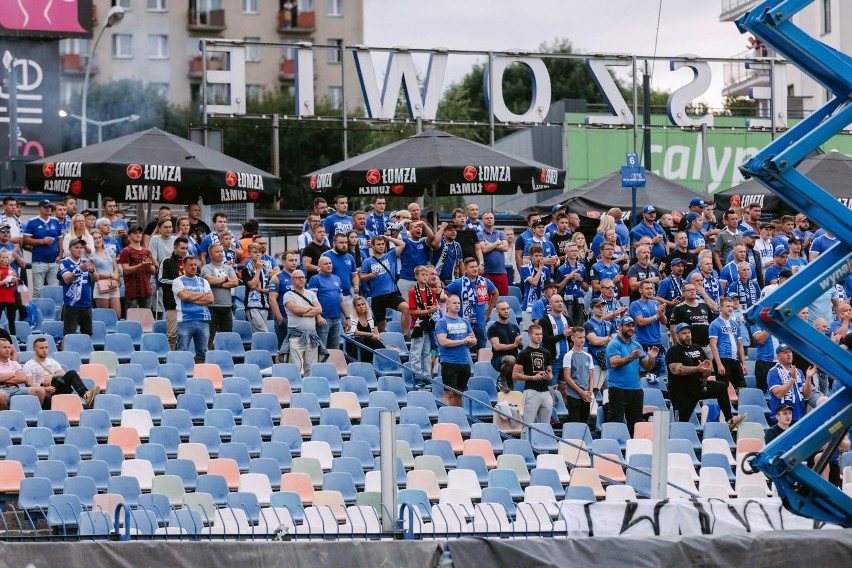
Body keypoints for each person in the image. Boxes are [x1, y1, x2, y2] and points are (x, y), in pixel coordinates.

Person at [666, 322, 746, 430]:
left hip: (698, 386)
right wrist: (697, 369)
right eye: (684, 333)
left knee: (721, 387)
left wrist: (706, 370)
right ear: (677, 336)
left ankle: (730, 419)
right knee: (681, 422)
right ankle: (676, 439)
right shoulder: (674, 350)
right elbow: (676, 370)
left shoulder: (697, 347)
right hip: (682, 393)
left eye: (689, 332)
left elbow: (706, 369)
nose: (687, 335)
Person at [605, 316, 659, 436]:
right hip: (618, 389)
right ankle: (614, 449)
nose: (631, 328)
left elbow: (648, 367)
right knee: (615, 423)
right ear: (620, 327)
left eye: (632, 325)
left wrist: (651, 358)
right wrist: (631, 357)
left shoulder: (636, 345)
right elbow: (614, 363)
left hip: (635, 390)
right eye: (627, 325)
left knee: (636, 424)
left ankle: (634, 450)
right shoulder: (613, 344)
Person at [23, 336, 100, 409]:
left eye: (46, 347)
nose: (45, 350)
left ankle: (85, 395)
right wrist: (44, 389)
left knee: (72, 373)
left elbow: (63, 374)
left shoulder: (52, 362)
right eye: (41, 348)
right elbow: (29, 384)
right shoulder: (29, 365)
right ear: (34, 350)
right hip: (42, 390)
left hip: (56, 386)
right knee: (47, 394)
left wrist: (52, 376)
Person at [360, 235, 410, 334]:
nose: (381, 246)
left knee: (406, 308)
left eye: (383, 244)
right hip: (377, 296)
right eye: (378, 244)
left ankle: (405, 335)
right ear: (373, 246)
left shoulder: (390, 255)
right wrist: (370, 275)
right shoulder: (368, 261)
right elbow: (361, 278)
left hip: (392, 293)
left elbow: (402, 244)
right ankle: (381, 343)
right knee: (381, 325)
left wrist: (388, 238)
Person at [446, 257, 498, 352]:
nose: (475, 269)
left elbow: (495, 292)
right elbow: (445, 293)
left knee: (481, 349)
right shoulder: (458, 283)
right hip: (462, 323)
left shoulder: (484, 281)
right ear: (465, 269)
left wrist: (489, 311)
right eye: (471, 267)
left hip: (479, 322)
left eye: (476, 266)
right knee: (462, 349)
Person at [512, 324, 554, 437]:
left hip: (545, 391)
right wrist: (533, 377)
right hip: (531, 391)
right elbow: (515, 375)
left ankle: (543, 448)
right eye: (536, 334)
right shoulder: (524, 353)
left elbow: (551, 374)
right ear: (530, 335)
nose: (539, 337)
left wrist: (547, 376)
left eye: (541, 334)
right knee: (527, 425)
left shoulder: (546, 353)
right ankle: (525, 448)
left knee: (545, 427)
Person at [436, 294, 476, 407]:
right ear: (447, 305)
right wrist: (463, 341)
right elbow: (443, 342)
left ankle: (458, 418)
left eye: (458, 303)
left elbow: (474, 340)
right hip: (449, 362)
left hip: (464, 362)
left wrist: (471, 341)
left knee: (459, 393)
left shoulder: (464, 321)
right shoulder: (442, 322)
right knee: (449, 393)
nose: (457, 305)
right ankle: (446, 417)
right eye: (454, 303)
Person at [172, 256, 213, 362]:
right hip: (185, 320)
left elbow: (210, 299)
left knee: (202, 352)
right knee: (182, 351)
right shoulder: (178, 281)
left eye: (195, 265)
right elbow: (185, 297)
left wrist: (190, 297)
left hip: (203, 320)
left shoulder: (204, 281)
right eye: (191, 265)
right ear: (184, 266)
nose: (194, 267)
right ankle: (182, 374)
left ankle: (200, 375)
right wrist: (203, 294)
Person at [283, 270, 323, 375]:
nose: (301, 279)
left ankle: (310, 388)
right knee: (295, 366)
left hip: (311, 335)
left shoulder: (311, 293)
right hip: (296, 336)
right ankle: (295, 388)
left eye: (303, 277)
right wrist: (310, 308)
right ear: (292, 279)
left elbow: (319, 309)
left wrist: (303, 313)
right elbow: (296, 310)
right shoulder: (288, 295)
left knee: (311, 367)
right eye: (298, 277)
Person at [767, 344, 820, 421]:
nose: (789, 354)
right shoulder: (773, 372)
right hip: (781, 418)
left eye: (790, 352)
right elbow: (778, 394)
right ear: (778, 357)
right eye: (785, 352)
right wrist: (792, 379)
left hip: (798, 415)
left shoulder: (798, 372)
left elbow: (807, 395)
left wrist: (808, 378)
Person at [200, 243, 239, 348]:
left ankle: (225, 355)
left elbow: (235, 282)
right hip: (212, 306)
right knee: (210, 335)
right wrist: (226, 279)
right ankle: (206, 356)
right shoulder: (206, 268)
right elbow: (210, 280)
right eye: (217, 252)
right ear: (210, 254)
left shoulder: (228, 267)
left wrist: (219, 283)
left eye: (221, 251)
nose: (220, 253)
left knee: (227, 336)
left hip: (226, 306)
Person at [308, 256, 349, 352]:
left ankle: (333, 366)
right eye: (326, 264)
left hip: (337, 318)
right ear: (319, 266)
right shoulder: (315, 279)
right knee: (322, 349)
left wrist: (347, 318)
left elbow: (341, 300)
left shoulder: (337, 278)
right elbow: (312, 300)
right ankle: (321, 367)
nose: (329, 265)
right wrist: (318, 317)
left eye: (330, 263)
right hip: (323, 318)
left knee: (335, 348)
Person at [23, 199, 62, 298]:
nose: (48, 209)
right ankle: (35, 312)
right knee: (38, 291)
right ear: (38, 208)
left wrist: (60, 255)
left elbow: (60, 239)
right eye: (45, 207)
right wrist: (42, 241)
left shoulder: (55, 221)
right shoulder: (32, 222)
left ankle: (51, 312)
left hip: (54, 260)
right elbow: (26, 239)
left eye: (50, 207)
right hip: (39, 260)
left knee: (53, 290)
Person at [708, 296, 748, 391]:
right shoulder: (715, 324)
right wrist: (719, 364)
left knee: (743, 388)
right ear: (721, 308)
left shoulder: (735, 324)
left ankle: (740, 406)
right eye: (727, 306)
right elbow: (713, 345)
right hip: (723, 359)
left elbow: (740, 345)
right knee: (723, 389)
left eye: (731, 306)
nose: (730, 308)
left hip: (735, 360)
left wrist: (744, 363)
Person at [630, 280, 668, 379]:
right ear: (640, 290)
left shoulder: (656, 303)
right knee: (643, 376)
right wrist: (656, 315)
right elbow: (640, 322)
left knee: (659, 376)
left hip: (657, 344)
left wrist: (662, 313)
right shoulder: (635, 304)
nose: (650, 290)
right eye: (647, 288)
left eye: (651, 288)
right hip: (643, 344)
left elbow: (664, 322)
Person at [59, 238, 97, 337]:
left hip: (86, 304)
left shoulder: (85, 261)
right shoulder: (64, 262)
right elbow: (67, 279)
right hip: (71, 305)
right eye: (76, 247)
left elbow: (96, 279)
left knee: (87, 335)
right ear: (69, 249)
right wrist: (78, 270)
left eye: (81, 248)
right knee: (69, 335)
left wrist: (92, 270)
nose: (79, 250)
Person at [408, 266, 440, 378]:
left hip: (429, 325)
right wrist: (427, 310)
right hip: (417, 325)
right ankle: (417, 375)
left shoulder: (431, 291)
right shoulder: (412, 292)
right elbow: (412, 310)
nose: (425, 277)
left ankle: (426, 375)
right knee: (417, 352)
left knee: (427, 351)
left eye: (426, 275)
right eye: (422, 275)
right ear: (416, 276)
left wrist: (431, 310)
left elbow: (434, 307)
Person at [158, 237, 190, 350]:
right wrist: (179, 283)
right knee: (172, 335)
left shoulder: (191, 261)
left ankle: (185, 357)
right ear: (174, 247)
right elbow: (161, 280)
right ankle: (170, 358)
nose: (184, 251)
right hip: (172, 304)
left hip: (189, 303)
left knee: (187, 334)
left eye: (186, 248)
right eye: (182, 248)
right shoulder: (166, 261)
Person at [539, 294, 573, 393]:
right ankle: (551, 408)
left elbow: (571, 340)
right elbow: (545, 340)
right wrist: (563, 335)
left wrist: (572, 336)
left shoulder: (568, 319)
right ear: (550, 304)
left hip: (566, 360)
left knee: (564, 389)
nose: (560, 303)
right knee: (551, 390)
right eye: (556, 302)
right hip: (553, 361)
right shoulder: (544, 320)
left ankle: (564, 408)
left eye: (561, 301)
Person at [0, 336, 45, 410]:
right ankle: (6, 416)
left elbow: (23, 378)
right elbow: (18, 377)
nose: (8, 350)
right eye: (4, 347)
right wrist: (12, 374)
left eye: (9, 347)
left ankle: (34, 415)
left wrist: (2, 378)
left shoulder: (14, 363)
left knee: (40, 391)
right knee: (0, 396)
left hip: (15, 389)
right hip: (1, 390)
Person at [321, 233, 359, 320]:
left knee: (350, 324)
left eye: (346, 242)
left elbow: (354, 275)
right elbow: (321, 275)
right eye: (341, 243)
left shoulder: (350, 257)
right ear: (334, 243)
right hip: (332, 296)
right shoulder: (326, 256)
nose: (344, 245)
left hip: (347, 295)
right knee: (336, 324)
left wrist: (356, 285)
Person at [584, 297, 617, 398]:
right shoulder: (588, 324)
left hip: (607, 361)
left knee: (610, 392)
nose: (601, 308)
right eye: (598, 306)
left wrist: (602, 341)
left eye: (603, 306)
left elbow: (615, 342)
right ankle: (590, 413)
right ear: (592, 309)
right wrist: (608, 338)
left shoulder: (609, 324)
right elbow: (594, 341)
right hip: (594, 362)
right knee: (593, 390)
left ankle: (607, 412)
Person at [562, 327, 595, 424]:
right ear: (572, 338)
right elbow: (567, 377)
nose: (582, 340)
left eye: (584, 337)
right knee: (575, 425)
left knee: (585, 424)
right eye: (579, 337)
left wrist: (590, 392)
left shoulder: (588, 356)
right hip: (573, 395)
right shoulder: (569, 355)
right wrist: (581, 392)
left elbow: (591, 376)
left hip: (586, 396)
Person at [119, 226, 157, 311]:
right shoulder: (125, 251)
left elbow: (153, 271)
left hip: (146, 289)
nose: (138, 235)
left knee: (146, 319)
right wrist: (141, 265)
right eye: (135, 233)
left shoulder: (147, 251)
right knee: (132, 319)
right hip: (132, 291)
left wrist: (148, 266)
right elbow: (126, 270)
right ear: (129, 236)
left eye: (140, 233)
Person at [268, 250, 298, 351]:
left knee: (296, 349)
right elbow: (272, 299)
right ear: (283, 262)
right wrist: (280, 318)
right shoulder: (277, 277)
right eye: (291, 260)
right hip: (284, 318)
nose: (294, 263)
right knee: (283, 350)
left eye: (295, 260)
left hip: (297, 318)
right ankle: (281, 367)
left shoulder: (299, 277)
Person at [397, 220, 434, 299]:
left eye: (420, 227)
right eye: (416, 227)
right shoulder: (405, 241)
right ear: (410, 230)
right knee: (406, 306)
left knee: (422, 306)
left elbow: (431, 236)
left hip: (421, 281)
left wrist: (423, 223)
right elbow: (394, 237)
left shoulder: (424, 241)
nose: (418, 229)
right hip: (406, 279)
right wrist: (401, 224)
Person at [242, 243, 272, 334]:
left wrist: (262, 290)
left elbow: (271, 287)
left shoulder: (266, 268)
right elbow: (252, 285)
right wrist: (258, 270)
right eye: (255, 252)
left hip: (265, 305)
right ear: (249, 254)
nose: (258, 254)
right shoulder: (246, 270)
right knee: (263, 333)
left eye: (259, 252)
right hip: (252, 306)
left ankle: (261, 348)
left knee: (259, 334)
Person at [90, 231, 121, 318]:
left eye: (99, 237)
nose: (98, 240)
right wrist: (111, 275)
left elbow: (115, 267)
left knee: (117, 315)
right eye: (94, 238)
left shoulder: (109, 251)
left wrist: (115, 279)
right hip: (101, 285)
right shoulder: (91, 255)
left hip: (113, 284)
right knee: (104, 316)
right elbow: (94, 274)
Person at [487, 300, 523, 372]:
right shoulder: (493, 328)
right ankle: (501, 378)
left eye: (507, 308)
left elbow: (521, 347)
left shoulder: (515, 327)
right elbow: (497, 347)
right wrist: (514, 345)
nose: (506, 311)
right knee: (510, 359)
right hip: (499, 359)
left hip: (514, 357)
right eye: (503, 309)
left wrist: (519, 342)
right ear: (497, 311)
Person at [479, 211, 509, 296]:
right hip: (487, 272)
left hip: (501, 272)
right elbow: (483, 249)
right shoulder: (480, 234)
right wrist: (497, 243)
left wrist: (489, 244)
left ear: (494, 220)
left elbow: (505, 248)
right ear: (482, 220)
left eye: (491, 218)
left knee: (504, 298)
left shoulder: (501, 233)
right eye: (487, 218)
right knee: (486, 298)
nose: (489, 220)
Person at [556, 242, 587, 324]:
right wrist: (567, 278)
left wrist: (581, 280)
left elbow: (586, 288)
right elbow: (557, 290)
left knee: (580, 324)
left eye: (576, 251)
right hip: (566, 300)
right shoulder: (561, 269)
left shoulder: (582, 268)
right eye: (572, 251)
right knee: (568, 323)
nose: (574, 253)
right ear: (566, 253)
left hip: (579, 299)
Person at [349, 295, 385, 364]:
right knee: (364, 338)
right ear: (355, 308)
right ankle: (383, 355)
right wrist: (371, 334)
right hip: (355, 344)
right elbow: (356, 333)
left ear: (366, 305)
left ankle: (383, 356)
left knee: (374, 341)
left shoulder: (371, 318)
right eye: (358, 305)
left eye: (363, 304)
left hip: (369, 344)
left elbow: (376, 333)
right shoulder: (352, 318)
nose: (361, 306)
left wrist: (376, 336)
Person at [521, 245, 552, 313]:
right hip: (528, 304)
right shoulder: (525, 268)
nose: (539, 258)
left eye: (540, 255)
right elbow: (534, 283)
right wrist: (540, 268)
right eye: (536, 255)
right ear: (530, 256)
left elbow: (548, 286)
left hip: (543, 302)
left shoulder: (546, 270)